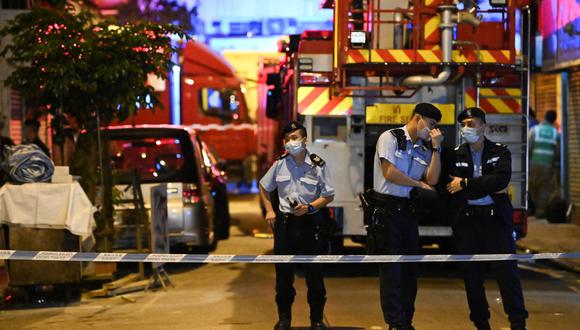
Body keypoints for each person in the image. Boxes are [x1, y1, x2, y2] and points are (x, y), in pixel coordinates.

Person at [445, 107, 528, 330]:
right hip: (468, 222)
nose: (466, 128)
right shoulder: (455, 155)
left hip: (496, 221)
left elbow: (500, 181)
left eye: (471, 123)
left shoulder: (500, 152)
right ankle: (481, 323)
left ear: (483, 125)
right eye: (463, 124)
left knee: (507, 274)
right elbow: (452, 189)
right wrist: (482, 185)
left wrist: (465, 183)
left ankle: (518, 322)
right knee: (472, 276)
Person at [370, 103, 443, 330]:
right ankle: (395, 322)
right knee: (392, 270)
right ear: (418, 118)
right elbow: (389, 172)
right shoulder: (390, 138)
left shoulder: (423, 149)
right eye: (431, 125)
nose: (432, 131)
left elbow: (432, 179)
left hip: (408, 212)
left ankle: (407, 320)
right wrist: (416, 183)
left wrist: (436, 148)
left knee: (410, 270)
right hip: (387, 210)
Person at [259, 120, 335, 330]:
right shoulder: (280, 164)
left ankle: (317, 320)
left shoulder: (318, 164)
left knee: (315, 277)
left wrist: (310, 207)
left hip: (311, 225)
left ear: (304, 140)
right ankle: (284, 320)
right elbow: (264, 186)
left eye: (294, 138)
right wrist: (270, 209)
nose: (290, 142)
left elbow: (328, 195)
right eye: (287, 139)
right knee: (283, 278)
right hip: (286, 226)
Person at [528, 110, 559, 218]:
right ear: (554, 120)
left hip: (533, 164)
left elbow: (528, 147)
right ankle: (540, 211)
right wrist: (556, 165)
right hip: (547, 165)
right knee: (545, 189)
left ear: (544, 117)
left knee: (533, 186)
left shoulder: (535, 130)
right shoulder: (555, 133)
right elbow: (558, 152)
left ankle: (538, 209)